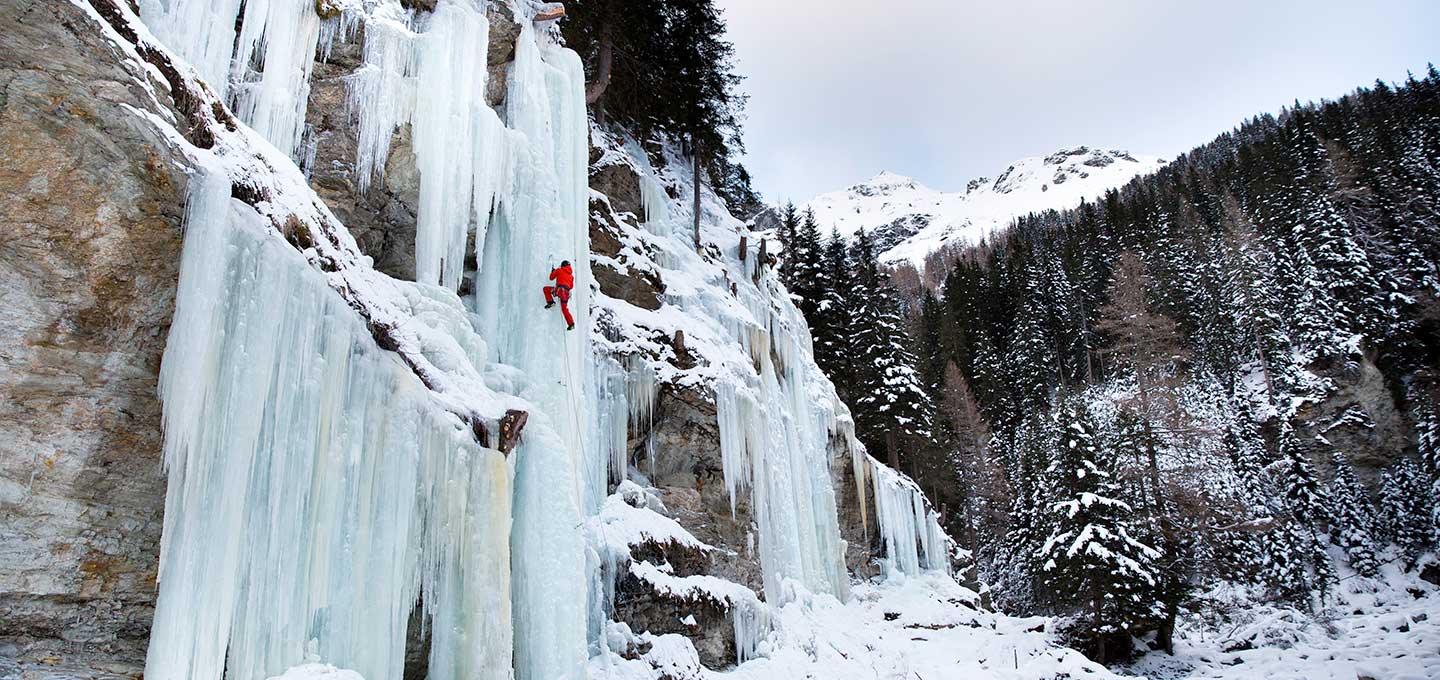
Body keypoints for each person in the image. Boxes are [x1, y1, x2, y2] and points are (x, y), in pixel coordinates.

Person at [543, 260, 576, 330]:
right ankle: (571, 323)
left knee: (546, 289)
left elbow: (551, 278)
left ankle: (551, 302)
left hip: (560, 290)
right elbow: (571, 286)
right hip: (566, 294)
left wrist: (553, 272)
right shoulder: (571, 276)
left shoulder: (559, 270)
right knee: (564, 309)